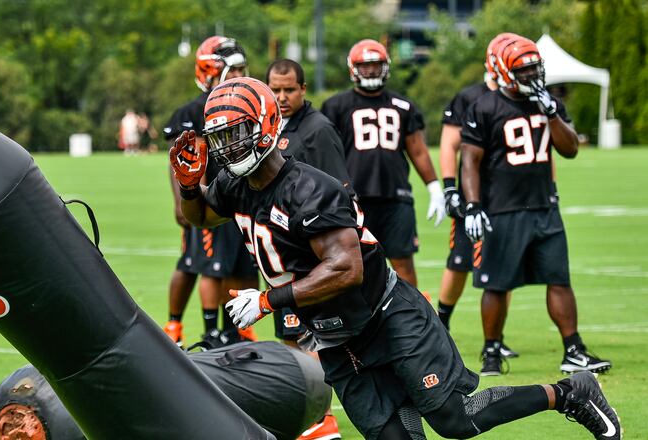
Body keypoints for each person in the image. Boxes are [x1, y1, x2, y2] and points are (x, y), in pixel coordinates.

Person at [170, 76, 620, 440]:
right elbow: (196, 219)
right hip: (336, 341)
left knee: (455, 420)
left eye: (237, 134)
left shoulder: (309, 189)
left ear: (266, 126)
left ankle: (569, 392)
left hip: (387, 315)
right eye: (220, 138)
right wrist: (189, 184)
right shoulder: (233, 185)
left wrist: (269, 301)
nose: (228, 148)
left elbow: (347, 269)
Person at [461, 34, 612, 375]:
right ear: (503, 70)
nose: (532, 75)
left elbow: (570, 149)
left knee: (559, 278)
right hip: (502, 209)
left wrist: (551, 113)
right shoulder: (484, 107)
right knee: (497, 284)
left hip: (544, 205)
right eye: (523, 70)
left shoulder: (548, 102)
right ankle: (491, 351)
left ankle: (573, 349)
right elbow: (469, 161)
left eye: (534, 68)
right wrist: (472, 205)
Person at [265, 58, 351, 440]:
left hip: (309, 256)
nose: (282, 97)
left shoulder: (317, 129)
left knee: (311, 338)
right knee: (290, 337)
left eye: (289, 90)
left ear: (303, 90)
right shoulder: (267, 127)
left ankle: (322, 419)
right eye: (275, 89)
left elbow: (340, 192)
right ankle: (309, 412)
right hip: (280, 255)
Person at [321, 39, 445, 288]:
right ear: (353, 68)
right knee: (352, 263)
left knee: (403, 262)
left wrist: (434, 187)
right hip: (352, 200)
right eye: (364, 65)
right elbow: (326, 152)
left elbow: (418, 151)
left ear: (386, 67)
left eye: (376, 65)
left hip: (395, 197)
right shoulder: (335, 106)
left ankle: (412, 319)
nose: (370, 70)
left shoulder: (403, 105)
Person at [161, 36, 258, 349]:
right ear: (213, 71)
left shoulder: (242, 102)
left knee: (236, 264)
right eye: (235, 69)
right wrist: (183, 201)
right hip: (209, 198)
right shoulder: (194, 110)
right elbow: (181, 160)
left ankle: (234, 327)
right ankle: (198, 328)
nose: (241, 74)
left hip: (238, 196)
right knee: (201, 264)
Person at [436, 34, 521, 365]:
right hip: (474, 195)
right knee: (459, 262)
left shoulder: (520, 97)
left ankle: (495, 338)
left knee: (505, 266)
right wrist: (448, 188)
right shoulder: (470, 96)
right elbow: (448, 144)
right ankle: (441, 322)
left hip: (507, 197)